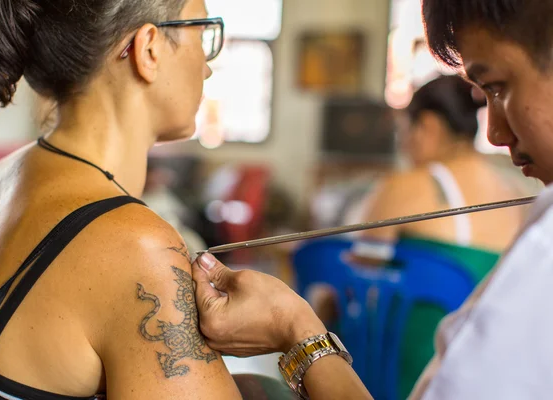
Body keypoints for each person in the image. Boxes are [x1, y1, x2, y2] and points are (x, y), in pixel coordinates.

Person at [192, 0, 553, 399]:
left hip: (386, 371)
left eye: (500, 87)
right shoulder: (522, 197)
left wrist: (296, 326)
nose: (496, 136)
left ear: (428, 128)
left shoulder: (533, 232)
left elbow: (345, 275)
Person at [0, 0, 288, 399]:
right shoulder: (136, 248)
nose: (208, 65)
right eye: (203, 32)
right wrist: (300, 331)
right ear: (149, 49)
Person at [312, 74, 532, 398]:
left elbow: (347, 275)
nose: (403, 145)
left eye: (404, 131)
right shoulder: (515, 193)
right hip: (479, 379)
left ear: (427, 126)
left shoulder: (409, 185)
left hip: (397, 378)